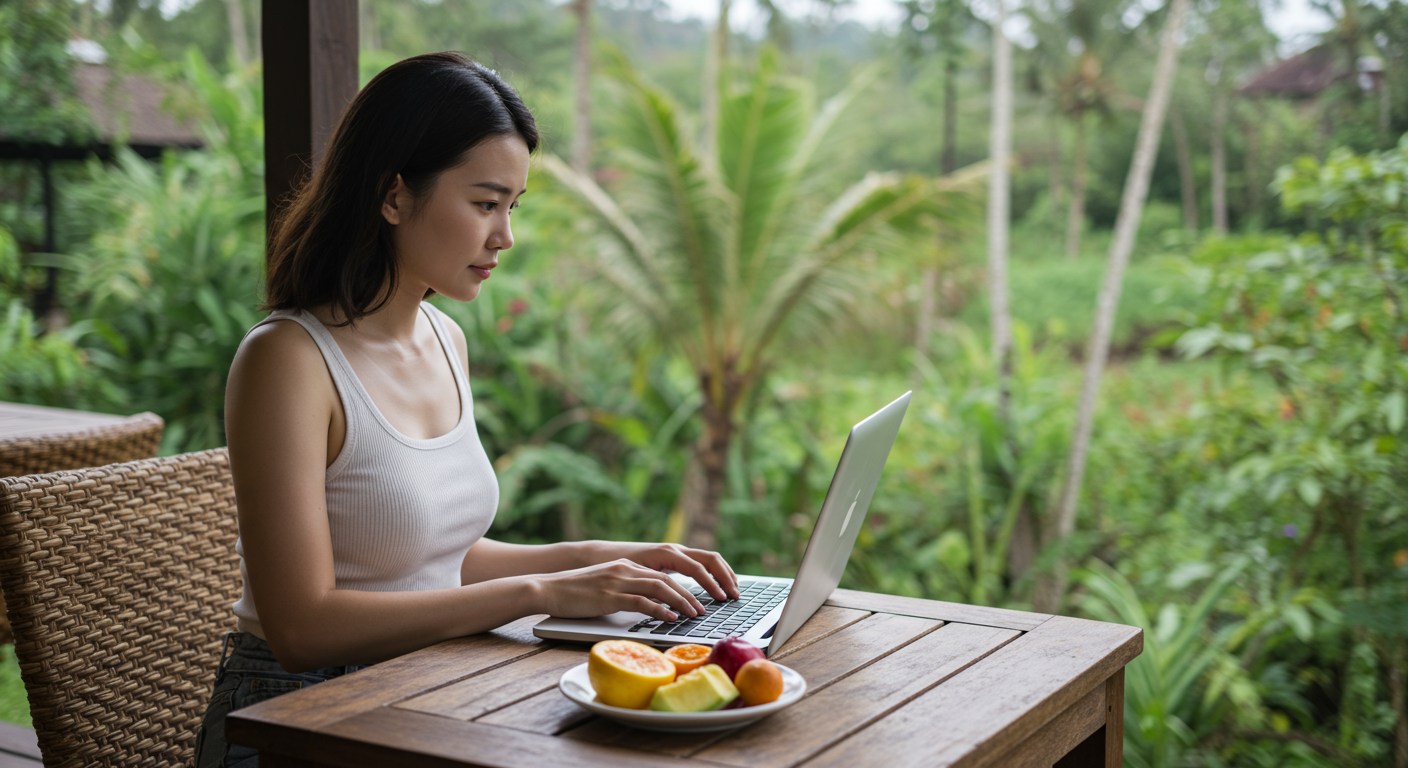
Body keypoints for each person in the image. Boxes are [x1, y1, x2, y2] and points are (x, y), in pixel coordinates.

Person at [195, 52, 740, 767]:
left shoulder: (443, 336)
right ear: (394, 197)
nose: (504, 237)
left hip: (424, 688)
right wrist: (541, 591)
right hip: (297, 717)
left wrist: (602, 562)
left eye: (512, 207)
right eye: (485, 204)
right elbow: (302, 625)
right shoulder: (288, 360)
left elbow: (426, 558)